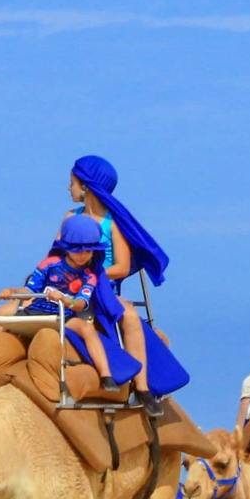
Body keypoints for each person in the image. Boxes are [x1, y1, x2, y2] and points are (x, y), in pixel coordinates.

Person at [66, 155, 173, 399]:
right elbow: (56, 255)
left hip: (102, 290)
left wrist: (92, 274)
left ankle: (142, 386)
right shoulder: (70, 218)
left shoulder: (111, 224)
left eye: (71, 182)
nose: (68, 188)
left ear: (84, 186)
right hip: (68, 285)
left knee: (131, 316)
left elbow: (122, 267)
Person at [0, 215, 122, 389]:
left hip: (65, 315)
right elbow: (30, 290)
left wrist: (65, 300)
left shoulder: (89, 276)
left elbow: (80, 303)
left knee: (86, 329)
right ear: (67, 248)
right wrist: (12, 292)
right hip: (36, 310)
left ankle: (106, 375)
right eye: (77, 250)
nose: (82, 256)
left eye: (87, 251)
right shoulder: (50, 264)